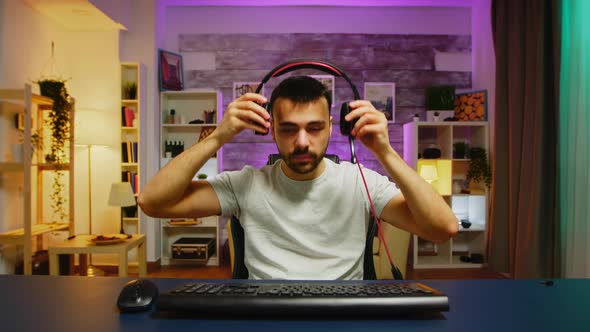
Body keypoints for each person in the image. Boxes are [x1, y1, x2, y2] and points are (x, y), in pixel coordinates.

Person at [138, 76, 458, 280]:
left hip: (343, 314)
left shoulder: (361, 181)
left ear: (332, 126)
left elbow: (443, 228)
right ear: (270, 128)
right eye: (289, 129)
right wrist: (217, 137)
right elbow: (152, 202)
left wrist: (386, 152)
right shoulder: (245, 183)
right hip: (265, 314)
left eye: (314, 128)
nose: (302, 141)